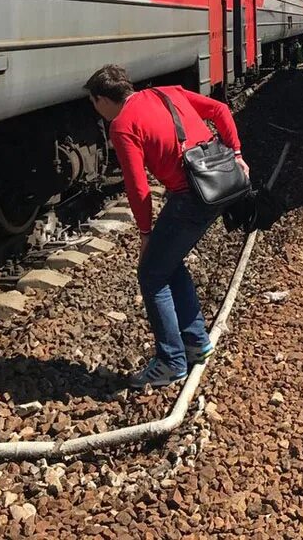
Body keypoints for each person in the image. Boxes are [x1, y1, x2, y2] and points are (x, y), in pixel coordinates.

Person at [84, 64, 249, 389]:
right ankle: (195, 342)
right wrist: (238, 153)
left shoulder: (122, 125)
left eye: (94, 104)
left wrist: (145, 234)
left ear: (102, 99)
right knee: (168, 264)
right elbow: (219, 109)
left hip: (191, 197)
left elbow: (137, 187)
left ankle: (171, 362)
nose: (97, 111)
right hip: (216, 184)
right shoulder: (167, 91)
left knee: (151, 273)